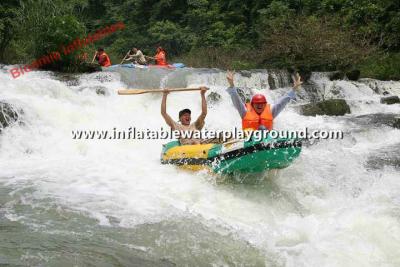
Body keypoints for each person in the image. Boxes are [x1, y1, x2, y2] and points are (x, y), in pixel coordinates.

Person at [226, 70, 303, 131]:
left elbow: (282, 102)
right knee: (261, 128)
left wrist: (294, 89)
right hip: (249, 140)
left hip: (266, 140)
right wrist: (232, 85)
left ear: (265, 104)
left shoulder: (271, 112)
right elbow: (237, 100)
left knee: (263, 128)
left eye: (262, 103)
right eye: (257, 104)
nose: (260, 105)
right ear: (252, 105)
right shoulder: (244, 112)